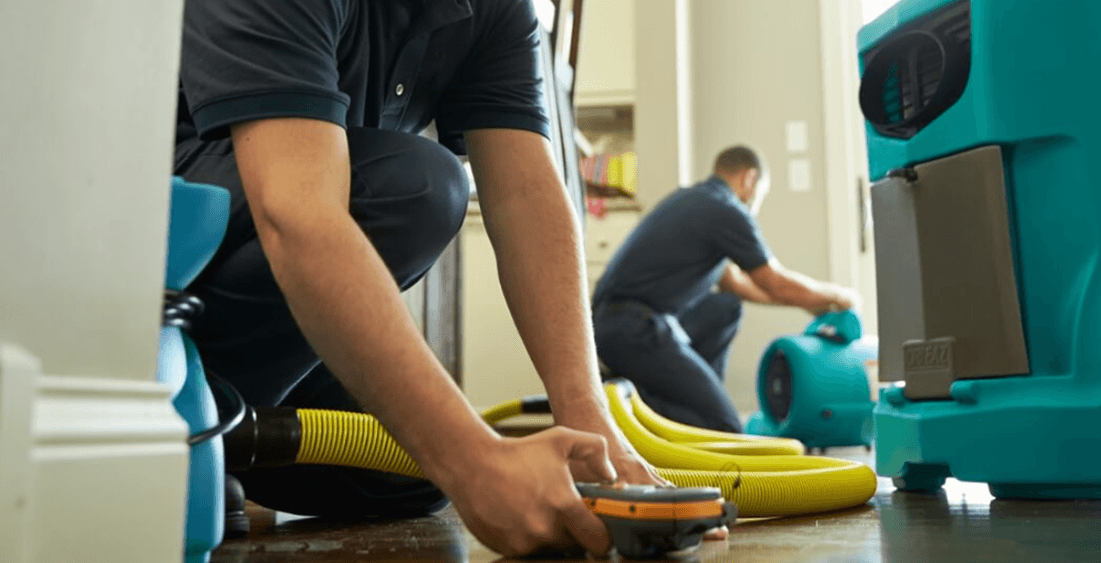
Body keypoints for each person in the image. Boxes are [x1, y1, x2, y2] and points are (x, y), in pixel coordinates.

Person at [173, 0, 669, 557]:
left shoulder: (498, 11)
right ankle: (192, 421)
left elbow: (526, 196)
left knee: (414, 473)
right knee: (418, 188)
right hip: (159, 267)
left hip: (276, 302)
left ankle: (234, 432)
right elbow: (299, 218)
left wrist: (589, 417)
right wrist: (476, 464)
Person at [591, 146, 860, 434]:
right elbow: (775, 282)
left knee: (726, 307)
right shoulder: (726, 210)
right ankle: (628, 409)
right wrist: (839, 296)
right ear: (749, 179)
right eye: (761, 193)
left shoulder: (694, 200)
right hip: (634, 330)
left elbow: (741, 286)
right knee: (725, 427)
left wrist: (814, 305)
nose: (756, 203)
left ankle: (691, 400)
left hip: (616, 326)